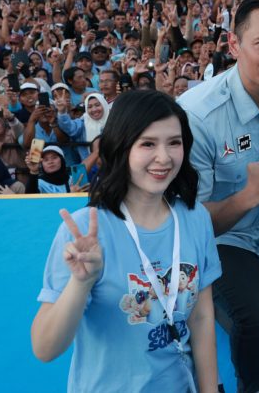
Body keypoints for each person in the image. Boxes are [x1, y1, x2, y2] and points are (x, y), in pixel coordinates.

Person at [31, 90, 220, 393]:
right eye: (147, 144)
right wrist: (80, 284)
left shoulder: (196, 218)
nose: (164, 157)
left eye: (174, 142)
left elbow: (201, 316)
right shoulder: (84, 232)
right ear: (121, 146)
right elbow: (45, 348)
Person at [177, 0, 259, 393]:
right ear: (234, 45)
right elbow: (188, 222)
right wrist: (251, 195)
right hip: (220, 240)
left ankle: (225, 305)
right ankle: (251, 383)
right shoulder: (196, 115)